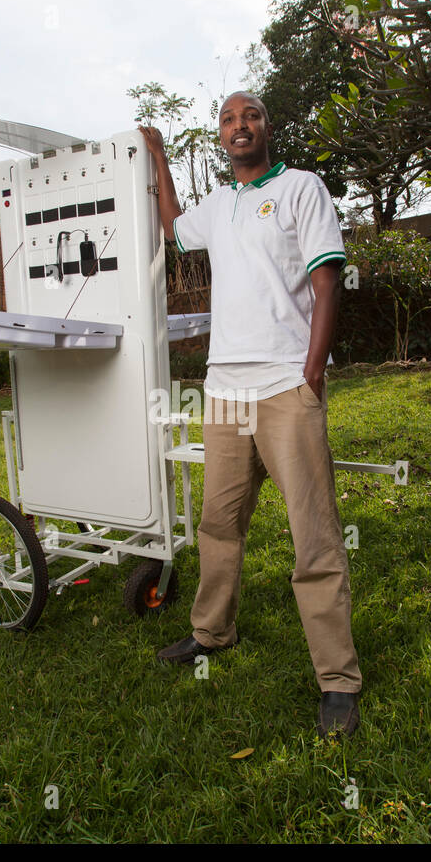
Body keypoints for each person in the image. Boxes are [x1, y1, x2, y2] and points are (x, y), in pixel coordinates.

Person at [139, 91, 360, 740]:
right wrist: (157, 157)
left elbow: (328, 280)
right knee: (218, 521)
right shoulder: (220, 205)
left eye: (251, 116)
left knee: (313, 533)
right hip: (225, 391)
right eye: (230, 119)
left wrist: (312, 372)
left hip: (286, 387)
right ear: (222, 135)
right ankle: (211, 632)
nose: (241, 126)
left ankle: (338, 679)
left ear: (268, 126)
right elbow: (173, 229)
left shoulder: (301, 189)